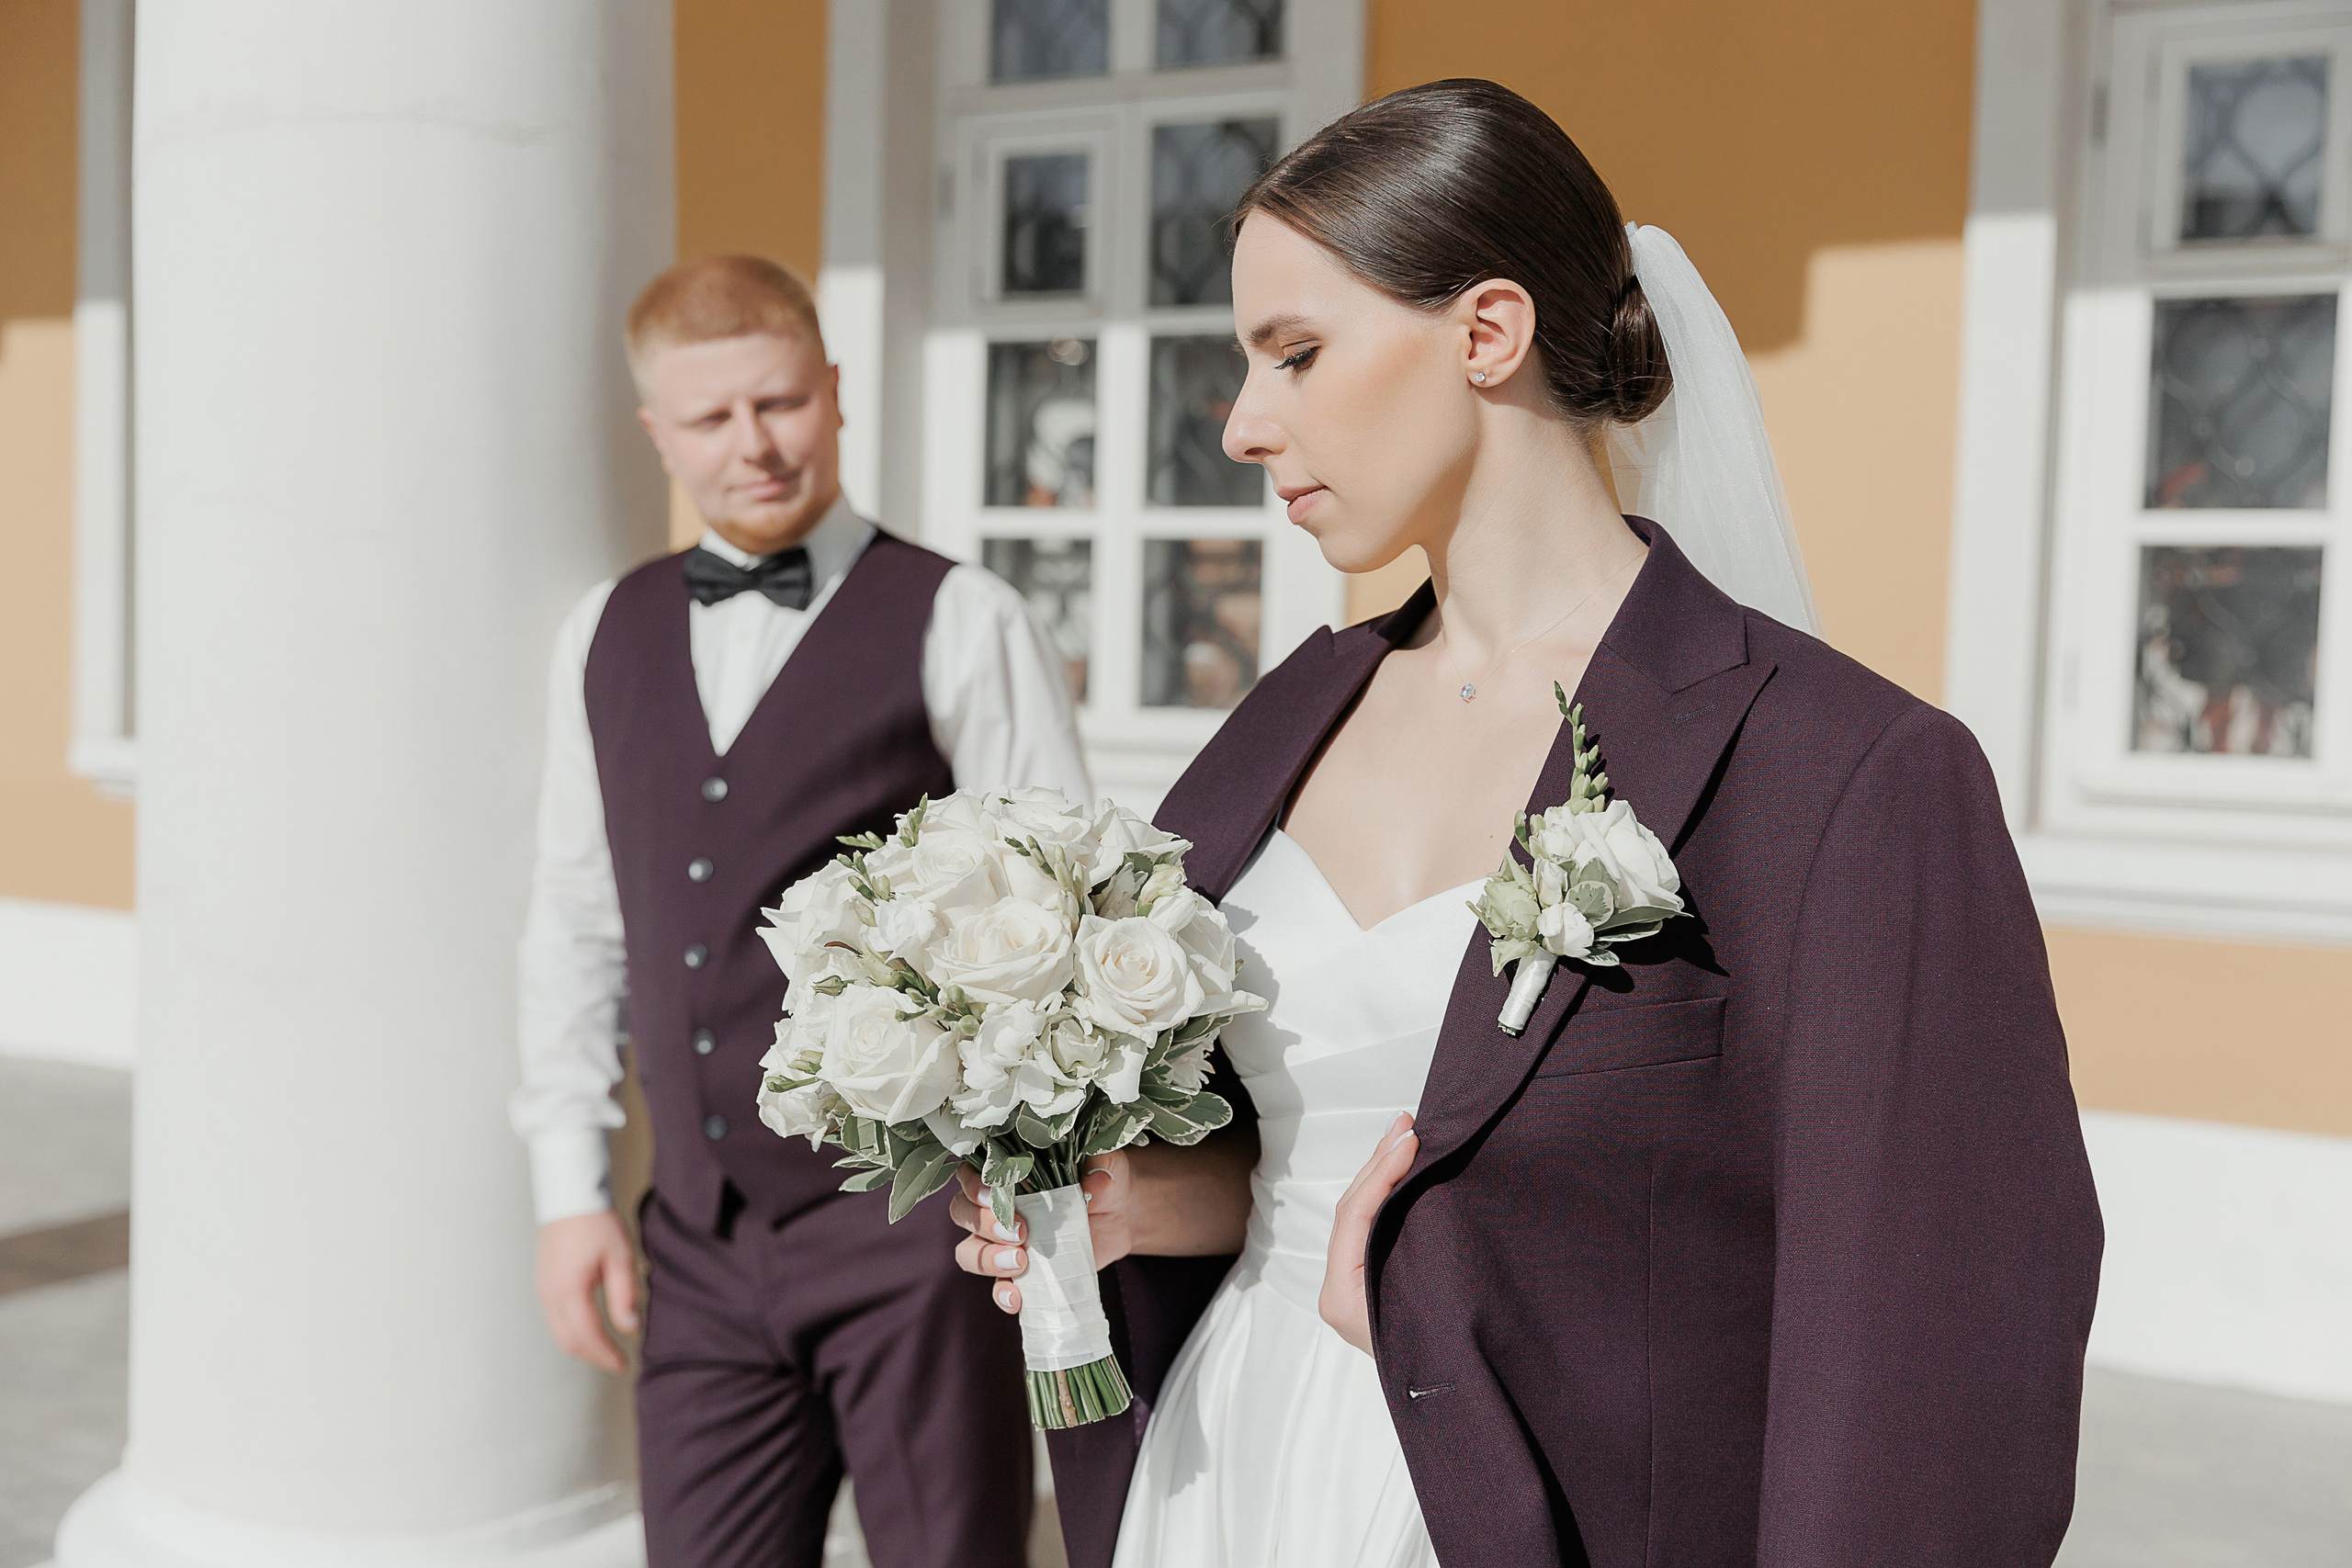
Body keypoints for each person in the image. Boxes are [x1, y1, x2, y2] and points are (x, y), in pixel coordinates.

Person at [952, 80, 2103, 1568]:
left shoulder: (1851, 771)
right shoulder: (1282, 718)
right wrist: (1135, 1202)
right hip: (1228, 1470)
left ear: (1486, 332)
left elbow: (1933, 1360)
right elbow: (1297, 1144)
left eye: (1296, 353)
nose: (1243, 426)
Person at [514, 254, 1091, 1568]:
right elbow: (578, 918)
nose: (754, 446)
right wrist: (570, 1186)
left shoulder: (964, 618)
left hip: (914, 1237)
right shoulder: (604, 634)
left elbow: (1052, 932)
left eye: (780, 403)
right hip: (699, 1243)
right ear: (657, 433)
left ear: (835, 394)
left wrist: (1036, 1205)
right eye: (711, 420)